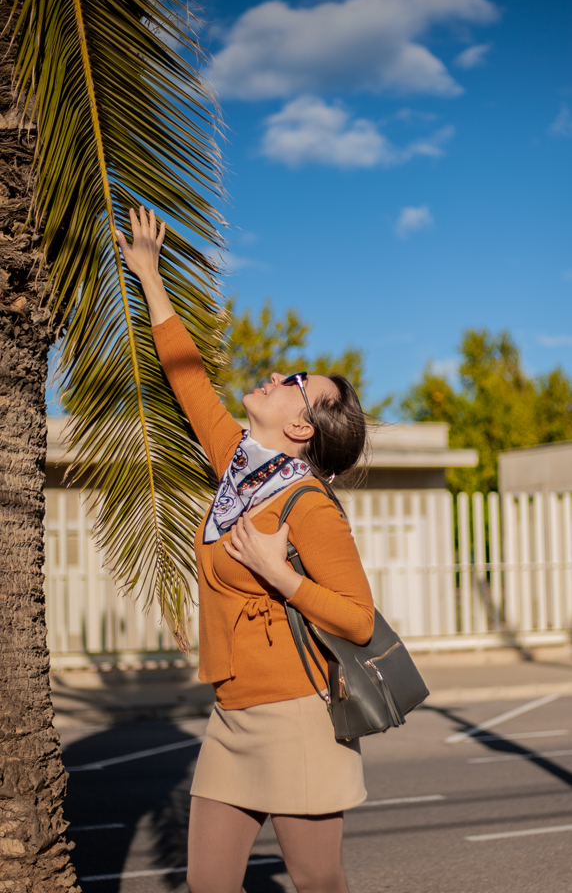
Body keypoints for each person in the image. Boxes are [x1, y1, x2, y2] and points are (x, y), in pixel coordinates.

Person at [117, 207, 375, 893]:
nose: (283, 375)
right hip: (232, 714)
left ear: (300, 425)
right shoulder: (238, 467)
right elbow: (188, 379)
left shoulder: (307, 504)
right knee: (208, 886)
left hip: (299, 715)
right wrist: (149, 275)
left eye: (299, 384)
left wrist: (278, 575)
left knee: (318, 880)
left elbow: (358, 619)